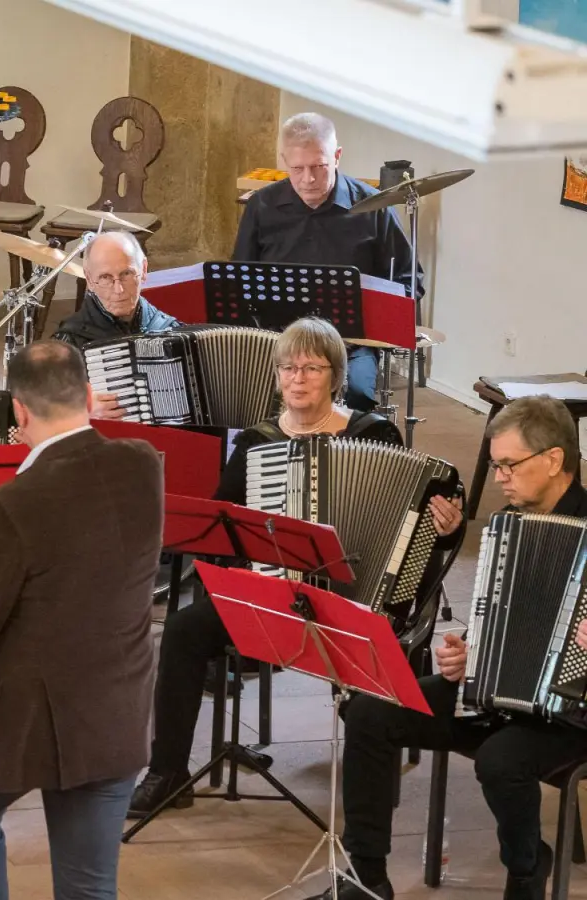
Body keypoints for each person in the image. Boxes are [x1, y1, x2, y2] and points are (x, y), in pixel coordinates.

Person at [128, 317, 463, 818]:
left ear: (336, 376)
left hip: (352, 600)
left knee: (377, 646)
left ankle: (370, 775)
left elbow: (416, 524)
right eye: (288, 367)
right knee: (182, 630)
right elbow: (221, 528)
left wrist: (449, 528)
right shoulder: (257, 443)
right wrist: (242, 565)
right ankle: (169, 769)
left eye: (311, 367)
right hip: (271, 597)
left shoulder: (374, 435)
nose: (298, 378)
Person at [0, 339, 163, 900]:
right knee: (88, 888)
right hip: (114, 715)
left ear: (17, 411)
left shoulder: (13, 507)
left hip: (24, 725)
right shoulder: (143, 465)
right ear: (90, 396)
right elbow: (65, 512)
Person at [316, 396, 587, 900]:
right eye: (496, 463)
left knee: (501, 761)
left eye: (509, 464)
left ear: (554, 459)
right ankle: (368, 875)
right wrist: (469, 654)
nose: (499, 476)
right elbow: (496, 617)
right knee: (369, 711)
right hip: (488, 693)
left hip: (571, 714)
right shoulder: (509, 523)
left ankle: (528, 866)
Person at [232, 112, 422, 413]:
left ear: (336, 156)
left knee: (358, 396)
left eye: (319, 167)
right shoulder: (262, 206)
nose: (308, 179)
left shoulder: (374, 208)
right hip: (279, 342)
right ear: (284, 160)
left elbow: (409, 279)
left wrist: (380, 318)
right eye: (297, 169)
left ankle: (352, 459)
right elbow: (238, 280)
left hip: (351, 345)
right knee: (253, 398)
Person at [52, 230, 179, 422]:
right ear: (89, 280)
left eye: (126, 274)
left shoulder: (171, 330)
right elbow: (41, 410)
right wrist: (82, 410)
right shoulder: (69, 341)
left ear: (143, 270)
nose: (118, 290)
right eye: (105, 278)